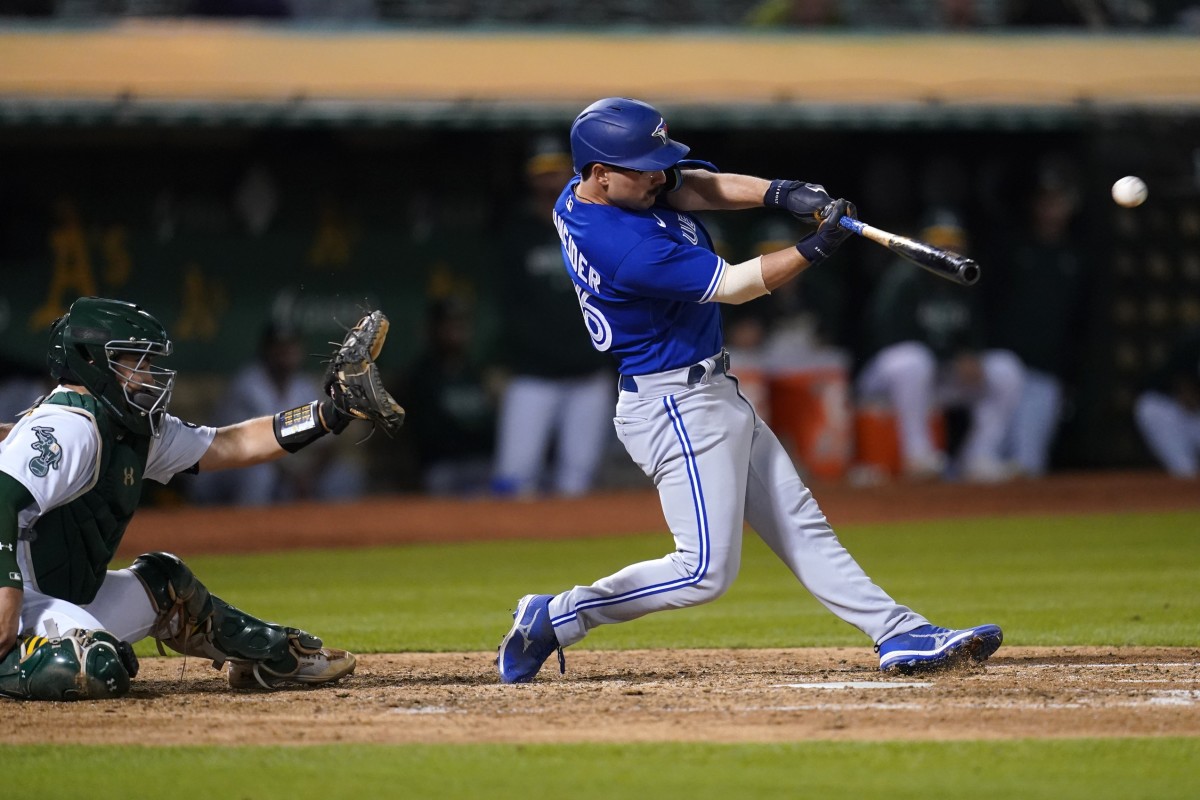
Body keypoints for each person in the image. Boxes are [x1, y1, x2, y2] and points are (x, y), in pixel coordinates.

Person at [496, 97, 1003, 684]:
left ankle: (897, 631)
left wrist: (783, 193)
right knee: (703, 573)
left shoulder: (604, 188)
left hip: (711, 391)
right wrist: (814, 249)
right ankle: (555, 616)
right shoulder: (620, 244)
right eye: (643, 167)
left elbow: (698, 187)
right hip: (674, 407)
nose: (658, 175)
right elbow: (734, 285)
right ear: (598, 173)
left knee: (798, 521)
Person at [0, 297, 401, 700]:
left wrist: (329, 413)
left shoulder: (131, 429)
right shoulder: (71, 425)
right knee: (96, 667)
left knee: (165, 583)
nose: (149, 374)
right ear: (90, 360)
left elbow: (233, 443)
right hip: (13, 598)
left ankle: (265, 656)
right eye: (135, 361)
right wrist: (8, 598)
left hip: (62, 598)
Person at [855, 210, 1024, 482]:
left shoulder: (963, 279)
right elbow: (888, 338)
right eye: (939, 241)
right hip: (887, 380)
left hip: (936, 378)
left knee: (1006, 368)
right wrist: (949, 357)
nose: (947, 248)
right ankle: (918, 456)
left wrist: (971, 356)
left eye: (953, 241)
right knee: (913, 360)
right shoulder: (904, 279)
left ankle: (979, 457)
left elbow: (974, 335)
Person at [490, 137, 615, 498]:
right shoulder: (517, 235)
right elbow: (507, 306)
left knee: (577, 480)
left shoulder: (597, 226)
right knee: (515, 477)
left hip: (589, 374)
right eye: (541, 173)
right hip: (533, 376)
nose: (549, 180)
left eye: (555, 170)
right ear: (530, 178)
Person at [190, 322, 367, 505]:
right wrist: (294, 478)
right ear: (266, 350)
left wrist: (308, 476)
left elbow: (328, 444)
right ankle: (246, 530)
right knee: (260, 474)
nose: (286, 351)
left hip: (289, 473)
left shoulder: (303, 387)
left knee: (344, 477)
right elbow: (251, 445)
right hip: (230, 469)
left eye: (291, 345)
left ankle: (328, 532)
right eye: (279, 346)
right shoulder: (248, 386)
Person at [990, 174, 1088, 476]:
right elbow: (991, 304)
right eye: (1046, 202)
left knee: (1029, 464)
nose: (1052, 210)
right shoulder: (1015, 248)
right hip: (1008, 368)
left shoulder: (1076, 257)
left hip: (1047, 372)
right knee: (990, 459)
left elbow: (1081, 322)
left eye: (1058, 202)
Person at [402, 296, 498, 496]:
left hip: (481, 462)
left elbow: (490, 425)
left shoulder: (475, 373)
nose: (457, 332)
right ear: (435, 329)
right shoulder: (422, 376)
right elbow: (426, 435)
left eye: (461, 325)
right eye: (450, 325)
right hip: (442, 466)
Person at [1133, 326, 1200, 478]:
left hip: (1195, 413)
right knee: (1186, 472)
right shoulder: (1193, 342)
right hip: (1172, 410)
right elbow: (1187, 397)